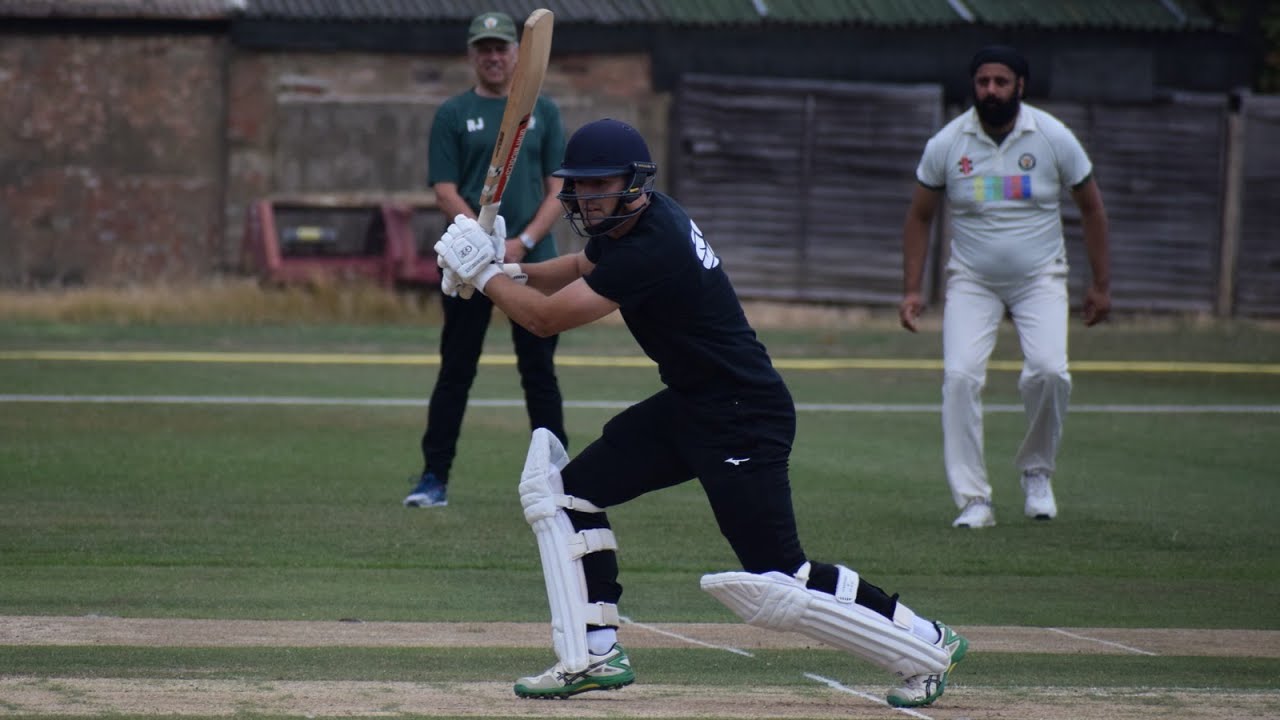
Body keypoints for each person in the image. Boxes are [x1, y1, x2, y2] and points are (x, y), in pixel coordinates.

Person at [433, 118, 968, 708]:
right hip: (694, 403)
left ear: (634, 183)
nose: (587, 198)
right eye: (580, 187)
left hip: (743, 414)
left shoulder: (652, 246)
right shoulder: (637, 218)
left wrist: (483, 276)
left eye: (600, 185)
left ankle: (926, 643)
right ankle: (592, 654)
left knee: (778, 578)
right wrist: (511, 268)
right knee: (564, 494)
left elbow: (543, 319)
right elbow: (584, 267)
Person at [898, 46, 1112, 529]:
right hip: (972, 280)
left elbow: (1093, 209)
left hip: (1041, 276)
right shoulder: (949, 143)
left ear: (1020, 85)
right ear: (973, 86)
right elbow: (920, 216)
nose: (990, 90)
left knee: (1049, 373)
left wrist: (1100, 285)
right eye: (982, 82)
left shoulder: (1053, 137)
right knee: (960, 378)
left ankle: (1037, 473)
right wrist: (912, 290)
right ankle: (974, 501)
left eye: (1001, 81)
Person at [404, 11, 569, 508]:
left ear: (516, 55)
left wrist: (520, 241)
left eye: (501, 48)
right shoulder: (454, 114)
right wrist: (480, 240)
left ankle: (559, 480)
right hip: (468, 263)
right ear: (472, 55)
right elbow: (444, 189)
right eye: (484, 49)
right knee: (456, 369)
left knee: (538, 373)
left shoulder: (545, 111)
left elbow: (558, 188)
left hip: (532, 260)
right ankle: (434, 478)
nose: (494, 57)